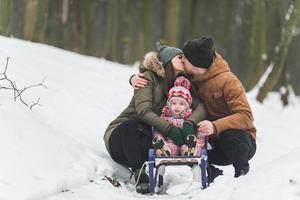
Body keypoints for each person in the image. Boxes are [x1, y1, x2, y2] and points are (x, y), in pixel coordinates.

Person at [130, 36, 257, 178]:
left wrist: (215, 126)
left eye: (185, 58)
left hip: (238, 143)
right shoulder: (188, 77)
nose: (182, 60)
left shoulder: (229, 81)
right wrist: (135, 78)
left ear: (195, 63)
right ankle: (209, 173)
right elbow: (162, 72)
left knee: (231, 136)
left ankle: (241, 175)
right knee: (186, 144)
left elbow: (246, 116)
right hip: (206, 139)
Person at [103, 42, 206, 194]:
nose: (184, 60)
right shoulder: (147, 78)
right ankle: (139, 174)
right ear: (168, 60)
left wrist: (189, 123)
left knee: (160, 143)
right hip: (122, 137)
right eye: (180, 57)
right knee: (131, 124)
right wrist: (170, 129)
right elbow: (143, 112)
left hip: (147, 135)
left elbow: (201, 106)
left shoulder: (180, 85)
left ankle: (196, 168)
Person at [152, 76, 205, 157]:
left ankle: (190, 151)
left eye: (181, 104)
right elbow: (158, 131)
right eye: (174, 103)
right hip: (171, 142)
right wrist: (160, 139)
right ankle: (164, 150)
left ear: (187, 105)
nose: (177, 107)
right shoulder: (164, 117)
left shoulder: (191, 117)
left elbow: (199, 130)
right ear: (169, 104)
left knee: (191, 147)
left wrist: (197, 141)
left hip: (188, 143)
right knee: (171, 148)